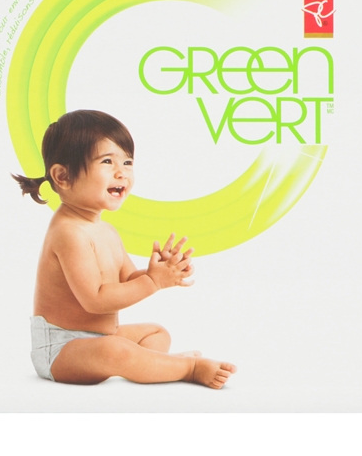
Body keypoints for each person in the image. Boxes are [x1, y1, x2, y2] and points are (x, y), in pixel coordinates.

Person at [13, 110, 236, 388]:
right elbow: (95, 300)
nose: (122, 172)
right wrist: (152, 282)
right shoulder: (68, 233)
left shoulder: (107, 231)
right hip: (61, 349)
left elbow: (129, 280)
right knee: (115, 351)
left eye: (127, 162)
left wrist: (160, 273)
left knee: (156, 333)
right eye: (107, 161)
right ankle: (188, 368)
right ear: (63, 176)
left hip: (101, 339)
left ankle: (153, 365)